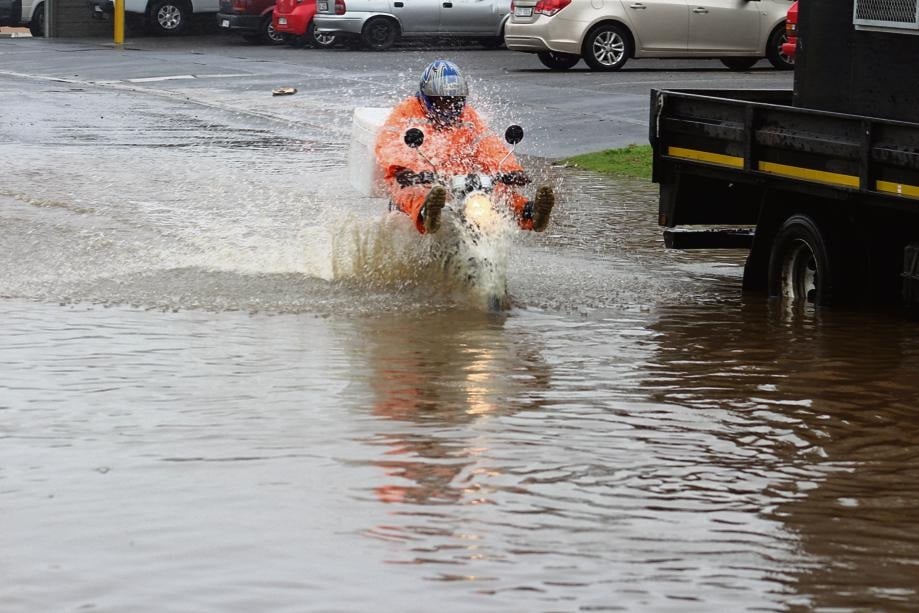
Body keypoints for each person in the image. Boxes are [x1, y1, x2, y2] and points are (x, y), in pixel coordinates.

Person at [374, 59, 554, 235]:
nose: (449, 106)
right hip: (422, 178)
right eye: (442, 101)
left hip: (459, 180)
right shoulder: (407, 111)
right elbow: (389, 143)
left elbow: (488, 143)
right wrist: (405, 169)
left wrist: (510, 171)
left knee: (499, 190)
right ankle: (426, 213)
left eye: (454, 101)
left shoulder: (467, 116)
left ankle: (530, 213)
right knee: (412, 191)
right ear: (427, 98)